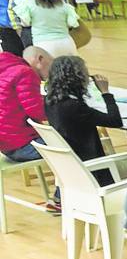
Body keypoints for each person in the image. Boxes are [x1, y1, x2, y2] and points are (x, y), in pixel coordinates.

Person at [43, 55, 121, 186]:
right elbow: (115, 120)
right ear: (77, 78)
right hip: (91, 168)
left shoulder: (49, 101)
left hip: (72, 165)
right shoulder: (74, 107)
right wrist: (106, 92)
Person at [0, 39, 47, 165]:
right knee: (76, 144)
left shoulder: (6, 68)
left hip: (7, 145)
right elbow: (37, 111)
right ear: (40, 59)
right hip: (24, 145)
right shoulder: (25, 72)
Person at [12, 0, 77, 58]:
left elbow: (25, 23)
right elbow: (70, 24)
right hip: (67, 43)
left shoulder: (27, 4)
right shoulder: (61, 3)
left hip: (44, 45)